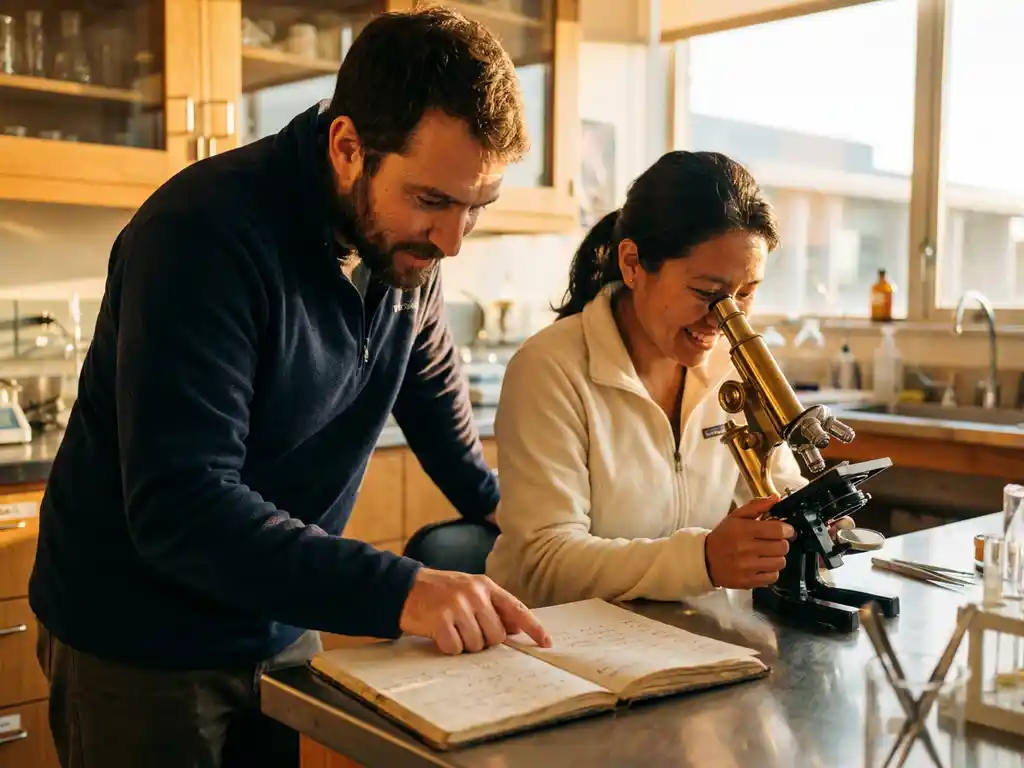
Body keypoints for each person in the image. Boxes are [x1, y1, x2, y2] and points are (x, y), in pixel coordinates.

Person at [28, 7, 550, 768]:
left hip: (278, 615)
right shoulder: (203, 235)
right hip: (136, 636)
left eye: (478, 206)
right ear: (347, 148)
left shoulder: (406, 249)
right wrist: (403, 588)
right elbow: (182, 506)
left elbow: (429, 388)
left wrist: (510, 514)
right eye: (433, 201)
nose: (452, 241)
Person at [486, 150, 852, 609]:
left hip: (682, 639)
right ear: (633, 264)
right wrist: (703, 561)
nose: (726, 318)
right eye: (707, 293)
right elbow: (543, 563)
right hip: (558, 649)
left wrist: (813, 521)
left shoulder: (733, 367)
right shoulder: (549, 369)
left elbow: (775, 491)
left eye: (746, 293)